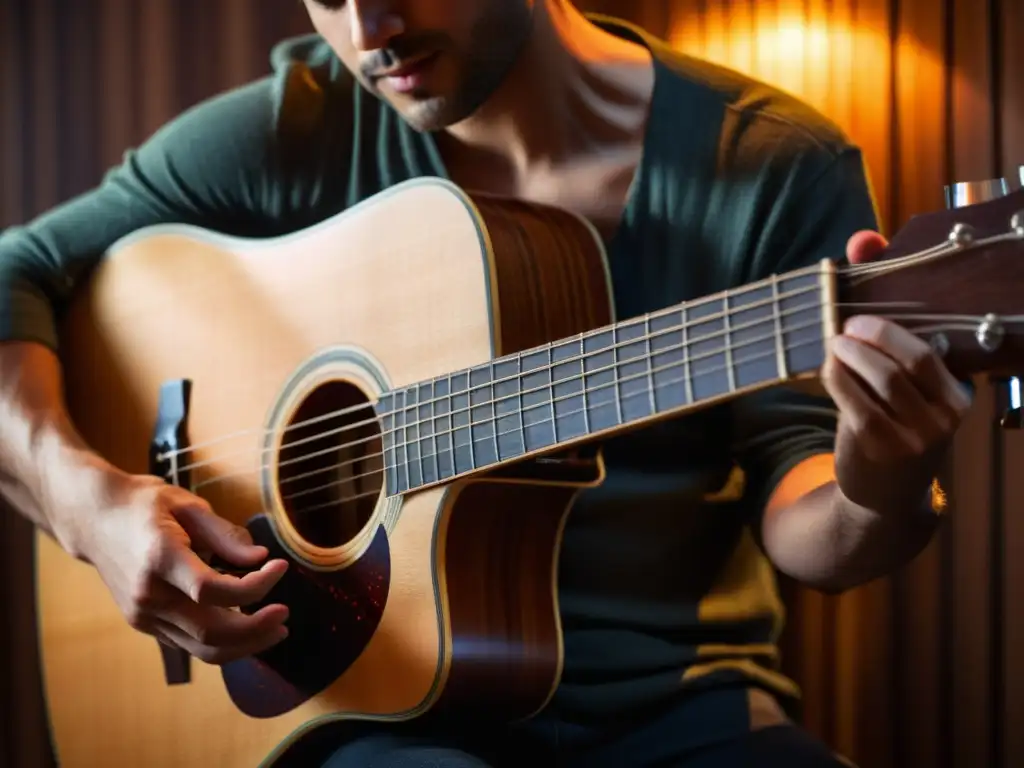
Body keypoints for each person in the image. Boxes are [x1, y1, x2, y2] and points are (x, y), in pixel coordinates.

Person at [0, 2, 970, 766]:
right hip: (353, 716)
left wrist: (883, 481)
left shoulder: (764, 165)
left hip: (670, 711)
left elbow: (810, 517)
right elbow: (16, 274)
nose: (366, 31)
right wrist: (87, 505)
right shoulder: (301, 119)